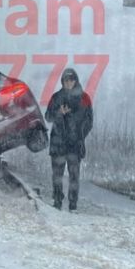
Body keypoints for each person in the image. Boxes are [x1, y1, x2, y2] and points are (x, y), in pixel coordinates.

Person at [45, 68, 93, 212]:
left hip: (74, 145)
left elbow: (89, 122)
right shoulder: (56, 97)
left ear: (76, 80)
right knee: (57, 176)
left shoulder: (84, 98)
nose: (68, 82)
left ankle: (73, 205)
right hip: (58, 143)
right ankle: (57, 201)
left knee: (74, 177)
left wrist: (79, 135)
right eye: (66, 80)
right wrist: (59, 113)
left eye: (71, 79)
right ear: (62, 81)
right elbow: (48, 117)